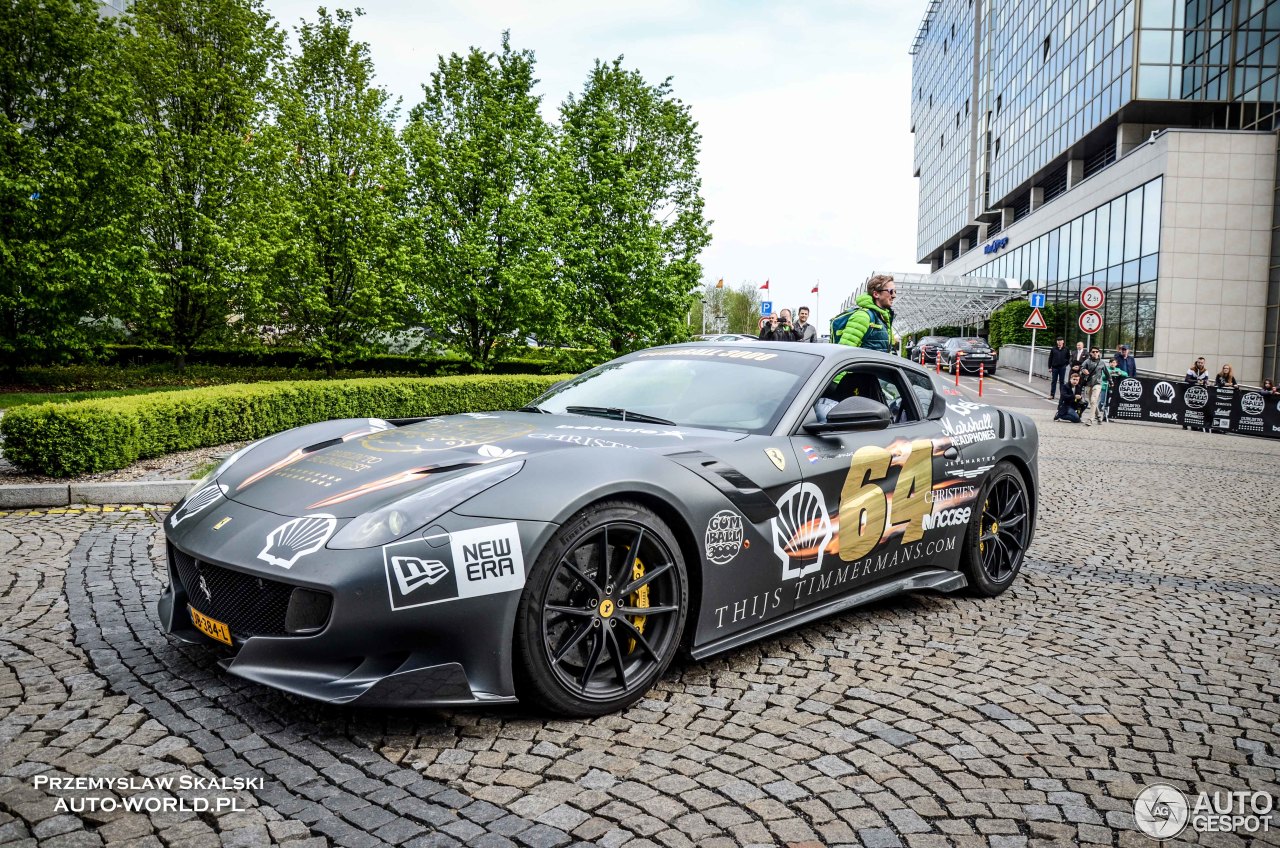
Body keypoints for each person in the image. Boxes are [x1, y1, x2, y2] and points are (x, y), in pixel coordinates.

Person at [836, 275, 898, 352]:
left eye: (895, 291)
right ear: (876, 294)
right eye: (891, 291)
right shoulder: (863, 317)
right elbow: (843, 352)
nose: (894, 296)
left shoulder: (883, 318)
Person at [1080, 347, 1106, 426]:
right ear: (1090, 353)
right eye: (1093, 352)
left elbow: (1107, 372)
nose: (1095, 353)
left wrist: (1111, 381)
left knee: (1094, 400)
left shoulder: (1102, 362)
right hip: (1088, 383)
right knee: (1092, 402)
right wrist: (1084, 370)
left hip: (1097, 383)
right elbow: (1082, 367)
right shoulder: (1087, 361)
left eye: (1096, 351)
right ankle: (1098, 416)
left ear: (1099, 353)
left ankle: (1090, 419)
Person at [1183, 357, 1210, 432]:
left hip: (1199, 392)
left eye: (1202, 363)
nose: (1200, 364)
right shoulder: (1191, 369)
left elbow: (1206, 380)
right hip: (1189, 391)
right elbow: (1187, 379)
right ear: (1197, 362)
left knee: (1196, 408)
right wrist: (1197, 381)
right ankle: (1184, 424)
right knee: (1187, 407)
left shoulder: (1205, 371)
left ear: (1204, 363)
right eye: (1199, 362)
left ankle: (1194, 425)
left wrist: (1205, 382)